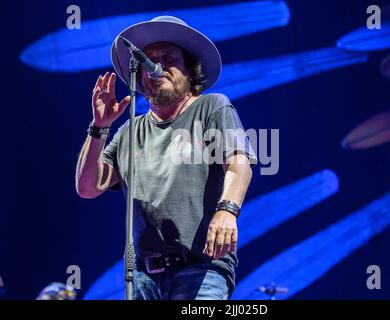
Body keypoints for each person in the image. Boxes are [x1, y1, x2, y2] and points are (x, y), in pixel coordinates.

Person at [75, 16, 256, 300]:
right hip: (144, 277)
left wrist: (227, 211)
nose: (156, 67)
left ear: (190, 71)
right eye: (150, 60)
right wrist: (99, 127)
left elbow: (239, 163)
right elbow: (87, 188)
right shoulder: (129, 130)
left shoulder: (212, 107)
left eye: (168, 59)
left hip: (201, 270)